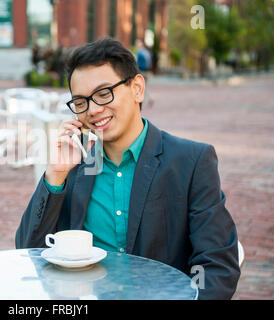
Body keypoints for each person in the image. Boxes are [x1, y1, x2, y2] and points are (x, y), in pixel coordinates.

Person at [15, 37, 240, 300]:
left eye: (103, 93)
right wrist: (55, 175)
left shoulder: (191, 161)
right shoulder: (76, 166)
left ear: (137, 89)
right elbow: (27, 251)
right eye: (80, 102)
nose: (94, 110)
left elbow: (216, 266)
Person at [136, 39, 154, 107]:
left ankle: (148, 98)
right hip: (148, 71)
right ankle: (149, 98)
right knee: (144, 87)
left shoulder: (140, 52)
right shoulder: (147, 52)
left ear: (141, 44)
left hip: (142, 71)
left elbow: (137, 63)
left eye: (138, 43)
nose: (137, 45)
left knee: (142, 87)